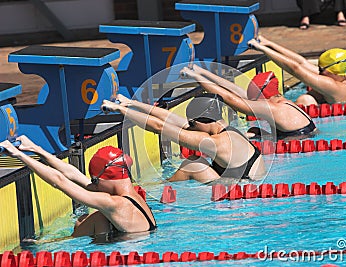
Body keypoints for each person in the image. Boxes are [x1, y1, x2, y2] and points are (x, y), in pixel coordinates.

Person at [0, 136, 156, 238]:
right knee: (95, 217)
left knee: (94, 219)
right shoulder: (132, 196)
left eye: (95, 180)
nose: (93, 184)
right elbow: (72, 174)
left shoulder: (115, 204)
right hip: (134, 248)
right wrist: (35, 149)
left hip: (121, 256)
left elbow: (59, 181)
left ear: (105, 177)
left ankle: (53, 243)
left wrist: (20, 156)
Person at [101, 93, 266, 184]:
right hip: (252, 190)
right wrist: (130, 104)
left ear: (203, 120)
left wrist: (121, 111)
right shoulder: (229, 131)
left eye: (193, 122)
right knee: (194, 160)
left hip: (243, 195)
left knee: (192, 164)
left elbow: (160, 127)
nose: (190, 125)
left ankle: (157, 186)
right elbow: (169, 118)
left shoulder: (215, 143)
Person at [179, 65, 317, 140]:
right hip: (302, 136)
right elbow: (235, 90)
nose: (251, 101)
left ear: (261, 96)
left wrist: (197, 78)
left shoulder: (273, 108)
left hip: (300, 142)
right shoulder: (280, 101)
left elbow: (230, 99)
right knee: (253, 132)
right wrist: (201, 71)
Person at [248, 35, 346, 106]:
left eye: (321, 69)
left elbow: (295, 69)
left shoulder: (331, 85)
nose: (319, 72)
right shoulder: (340, 77)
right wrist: (268, 44)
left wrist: (261, 49)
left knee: (306, 100)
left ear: (330, 70)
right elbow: (302, 63)